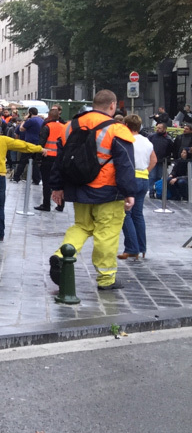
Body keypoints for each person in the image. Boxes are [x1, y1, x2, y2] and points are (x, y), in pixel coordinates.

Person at [48, 90, 137, 292]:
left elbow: (60, 160)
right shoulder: (117, 129)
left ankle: (61, 256)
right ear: (113, 105)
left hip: (79, 187)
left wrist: (57, 186)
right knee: (106, 234)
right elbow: (125, 165)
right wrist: (129, 192)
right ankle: (106, 279)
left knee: (81, 226)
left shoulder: (70, 126)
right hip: (108, 190)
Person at [117, 115, 155, 261]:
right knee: (138, 214)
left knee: (125, 214)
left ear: (126, 124)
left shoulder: (127, 140)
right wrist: (145, 172)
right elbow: (154, 160)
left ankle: (132, 248)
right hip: (143, 178)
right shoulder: (147, 141)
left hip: (130, 178)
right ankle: (142, 247)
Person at [35, 105, 67, 212]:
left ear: (49, 116)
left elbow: (41, 143)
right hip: (60, 158)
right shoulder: (64, 127)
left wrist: (38, 158)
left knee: (46, 183)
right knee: (60, 182)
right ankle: (60, 205)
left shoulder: (47, 127)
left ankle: (46, 204)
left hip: (47, 157)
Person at [148, 122, 173, 197]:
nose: (157, 129)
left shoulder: (168, 139)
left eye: (160, 128)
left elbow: (170, 150)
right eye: (157, 128)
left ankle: (157, 191)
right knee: (152, 176)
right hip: (152, 160)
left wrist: (167, 159)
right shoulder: (151, 137)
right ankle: (151, 192)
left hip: (162, 161)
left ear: (164, 129)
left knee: (159, 177)